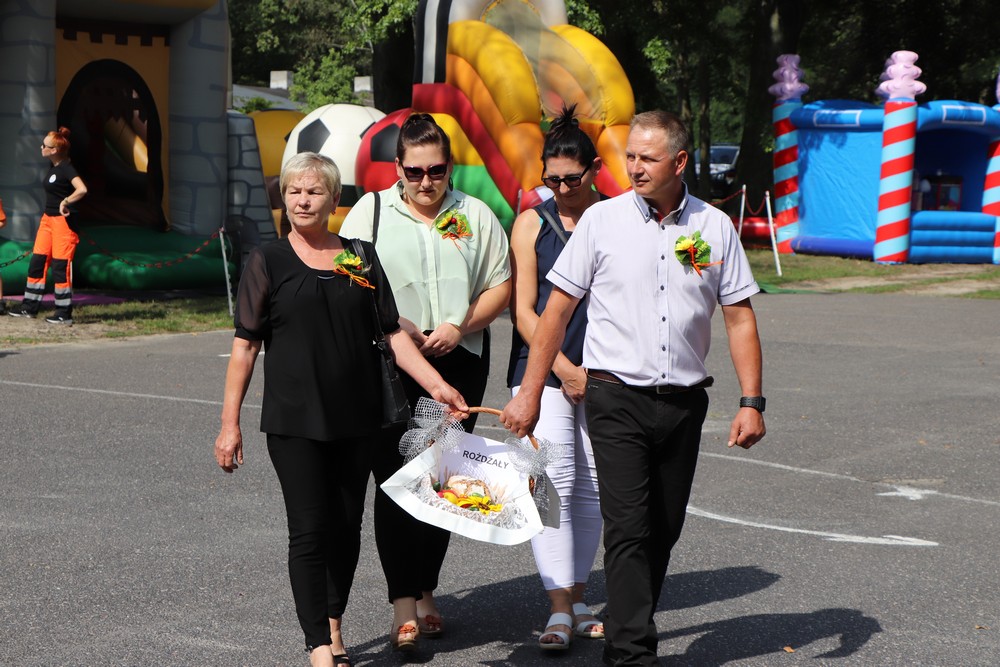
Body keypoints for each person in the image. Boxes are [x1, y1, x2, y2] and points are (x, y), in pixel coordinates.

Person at [500, 110, 766, 666]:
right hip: (615, 397)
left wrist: (751, 401)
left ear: (680, 162)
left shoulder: (715, 226)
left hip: (684, 403)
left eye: (648, 158)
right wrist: (530, 392)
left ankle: (631, 628)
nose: (636, 167)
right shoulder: (603, 221)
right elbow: (555, 311)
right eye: (631, 157)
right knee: (627, 527)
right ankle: (629, 653)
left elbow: (739, 316)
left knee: (663, 529)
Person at [213, 152, 469, 667]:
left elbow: (392, 333)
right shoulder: (268, 260)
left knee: (346, 528)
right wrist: (228, 424)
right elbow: (245, 346)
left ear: (334, 200)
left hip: (358, 419)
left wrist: (438, 385)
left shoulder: (360, 256)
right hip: (295, 422)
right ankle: (318, 646)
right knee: (310, 530)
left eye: (313, 192)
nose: (302, 200)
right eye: (293, 191)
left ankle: (333, 622)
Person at [340, 113, 511, 650]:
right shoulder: (369, 213)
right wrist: (397, 325)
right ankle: (402, 605)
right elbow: (348, 279)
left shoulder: (475, 215)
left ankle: (427, 589)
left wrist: (460, 325)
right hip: (393, 363)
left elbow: (500, 285)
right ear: (398, 167)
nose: (425, 181)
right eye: (414, 171)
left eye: (436, 170)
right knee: (396, 480)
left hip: (460, 360)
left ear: (449, 166)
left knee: (442, 481)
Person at [506, 105, 606, 651]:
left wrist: (593, 373)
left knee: (592, 490)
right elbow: (523, 311)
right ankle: (559, 607)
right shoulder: (531, 223)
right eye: (553, 180)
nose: (563, 189)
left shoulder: (617, 217)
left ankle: (581, 596)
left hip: (605, 373)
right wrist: (564, 371)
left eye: (572, 178)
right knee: (552, 485)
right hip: (543, 373)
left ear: (594, 170)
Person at [8, 127, 88, 324]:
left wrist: (65, 201)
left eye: (44, 145)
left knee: (60, 266)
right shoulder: (54, 168)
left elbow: (82, 189)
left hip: (63, 223)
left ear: (54, 150)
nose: (41, 147)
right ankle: (29, 307)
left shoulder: (67, 168)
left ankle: (63, 313)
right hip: (48, 220)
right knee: (37, 262)